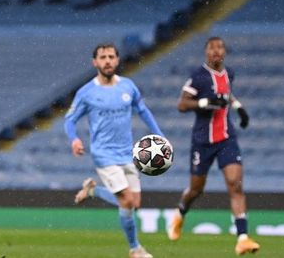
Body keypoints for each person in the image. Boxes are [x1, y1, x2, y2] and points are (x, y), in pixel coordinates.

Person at [64, 43, 165, 258]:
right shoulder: (87, 92)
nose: (107, 61)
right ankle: (135, 249)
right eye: (103, 57)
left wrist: (159, 135)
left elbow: (143, 111)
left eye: (111, 56)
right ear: (95, 62)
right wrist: (74, 140)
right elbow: (69, 120)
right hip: (103, 154)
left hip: (127, 153)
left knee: (133, 204)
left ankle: (92, 190)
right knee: (127, 200)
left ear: (117, 60)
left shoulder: (128, 87)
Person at [167, 36, 260, 255]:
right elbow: (181, 104)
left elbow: (226, 94)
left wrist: (239, 108)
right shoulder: (198, 77)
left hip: (227, 139)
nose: (216, 51)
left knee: (235, 184)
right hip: (203, 142)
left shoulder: (229, 74)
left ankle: (243, 238)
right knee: (196, 189)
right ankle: (180, 212)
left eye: (220, 48)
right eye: (212, 48)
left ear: (224, 52)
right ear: (206, 53)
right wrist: (203, 103)